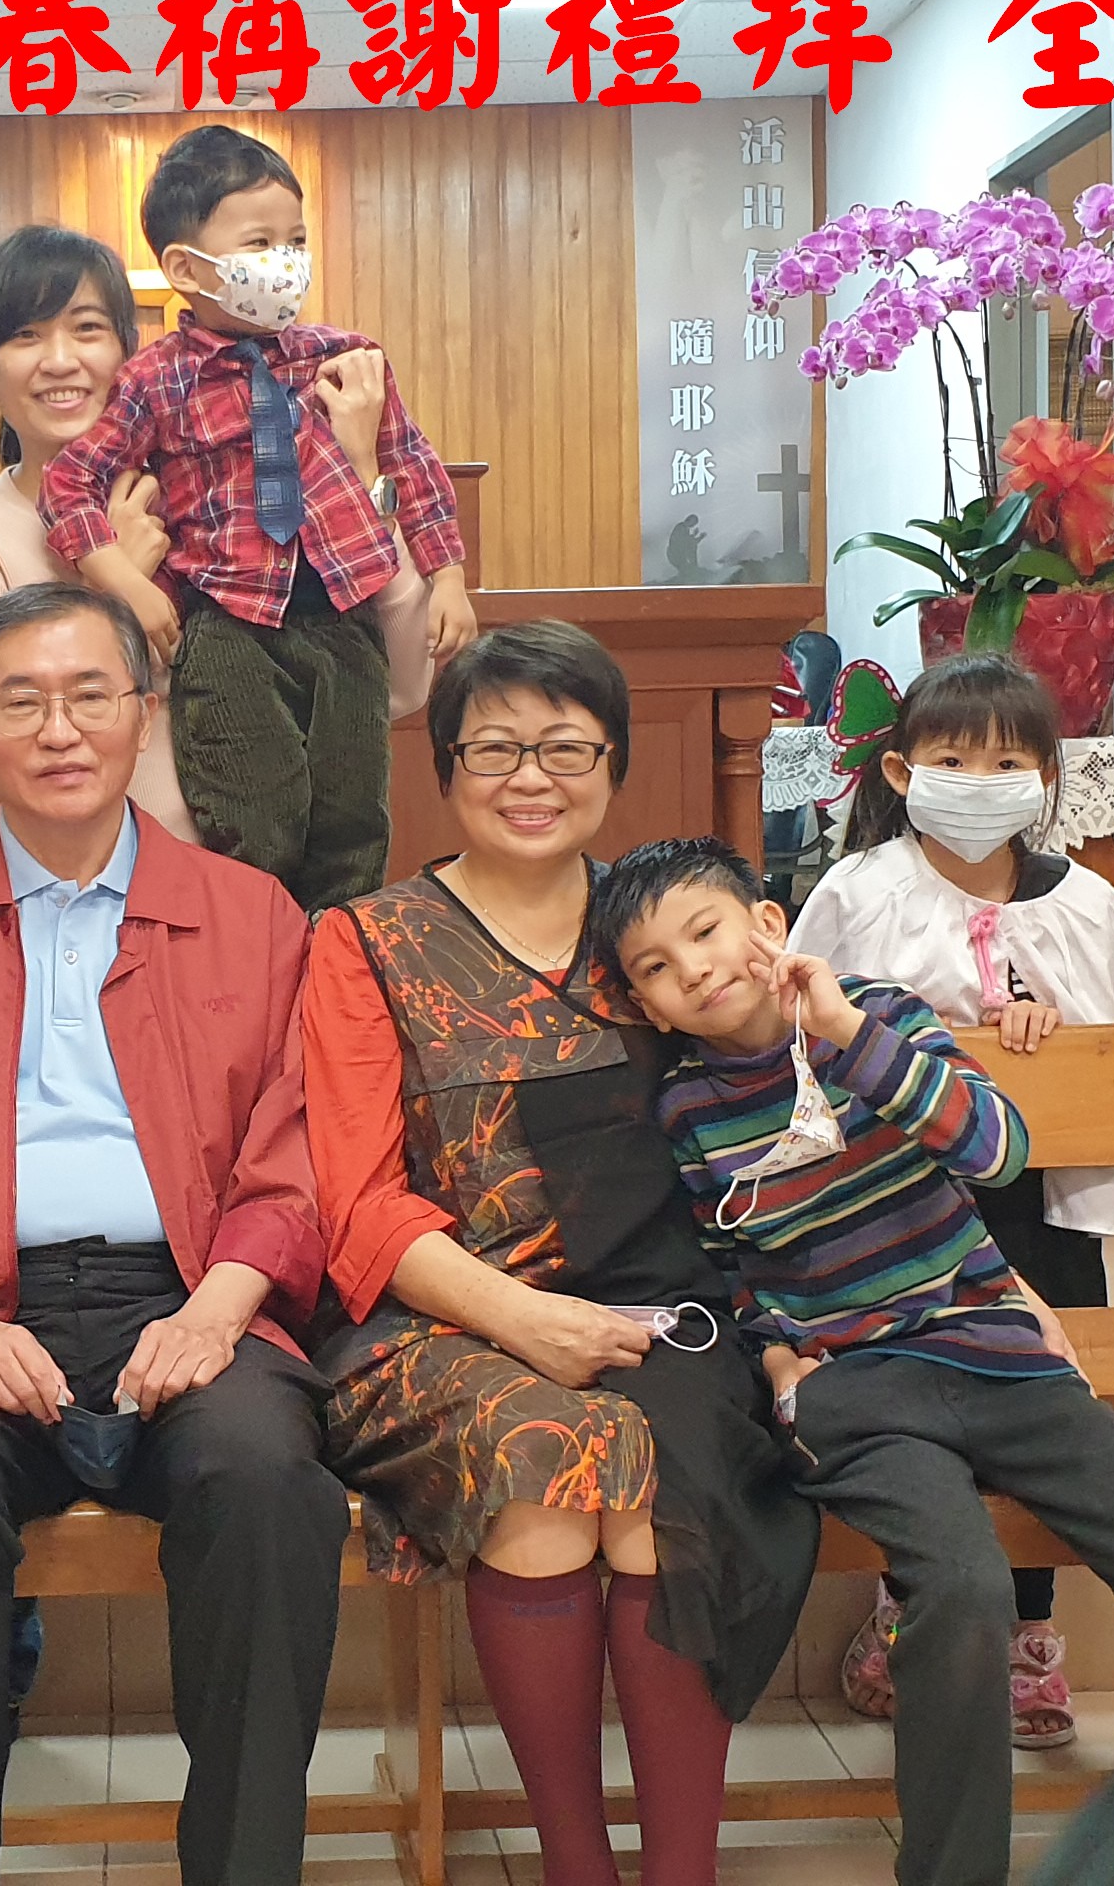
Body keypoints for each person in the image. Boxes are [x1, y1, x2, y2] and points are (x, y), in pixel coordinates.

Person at [0, 583, 346, 1886]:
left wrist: (217, 1309)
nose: (59, 729)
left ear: (143, 715)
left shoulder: (253, 916)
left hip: (194, 1296)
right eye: (22, 701)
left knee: (268, 1482)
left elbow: (299, 1146)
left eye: (91, 694)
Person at [593, 836, 1114, 1886]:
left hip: (998, 1356)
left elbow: (996, 1149)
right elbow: (724, 1271)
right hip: (855, 1390)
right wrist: (776, 1363)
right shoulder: (687, 1108)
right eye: (657, 967)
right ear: (649, 1006)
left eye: (705, 931)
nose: (695, 970)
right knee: (960, 1592)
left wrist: (847, 1032)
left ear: (767, 924)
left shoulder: (883, 1018)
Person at [300, 623, 814, 1886]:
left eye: (566, 747)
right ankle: (576, 1866)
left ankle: (681, 1871)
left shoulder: (658, 930)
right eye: (495, 748)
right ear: (444, 764)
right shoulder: (364, 943)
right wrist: (520, 1320)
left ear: (613, 761)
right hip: (439, 1322)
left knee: (659, 1468)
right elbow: (356, 1206)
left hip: (667, 1311)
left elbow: (789, 1076)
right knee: (551, 1455)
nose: (531, 776)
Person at [786, 648, 1114, 1747]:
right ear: (903, 771)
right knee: (914, 1405)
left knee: (1042, 1406)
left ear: (1046, 776)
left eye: (1008, 761)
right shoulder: (859, 890)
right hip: (891, 1208)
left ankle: (1029, 1631)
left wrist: (1046, 1027)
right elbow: (799, 1026)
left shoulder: (1087, 903)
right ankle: (904, 1610)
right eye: (954, 758)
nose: (980, 779)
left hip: (1038, 1212)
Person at [40, 127, 478, 909]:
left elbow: (413, 466)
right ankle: (254, 951)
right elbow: (70, 481)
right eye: (259, 244)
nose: (286, 262)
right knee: (255, 819)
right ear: (185, 268)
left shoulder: (348, 358)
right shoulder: (154, 381)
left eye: (296, 241)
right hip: (230, 625)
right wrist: (123, 582)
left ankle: (336, 961)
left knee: (354, 821)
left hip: (346, 620)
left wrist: (448, 578)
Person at [0, 224, 441, 844]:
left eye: (87, 328)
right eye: (25, 336)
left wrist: (360, 478)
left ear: (131, 354)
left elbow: (403, 686)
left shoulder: (219, 505)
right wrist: (112, 588)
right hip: (88, 886)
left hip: (270, 875)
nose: (59, 360)